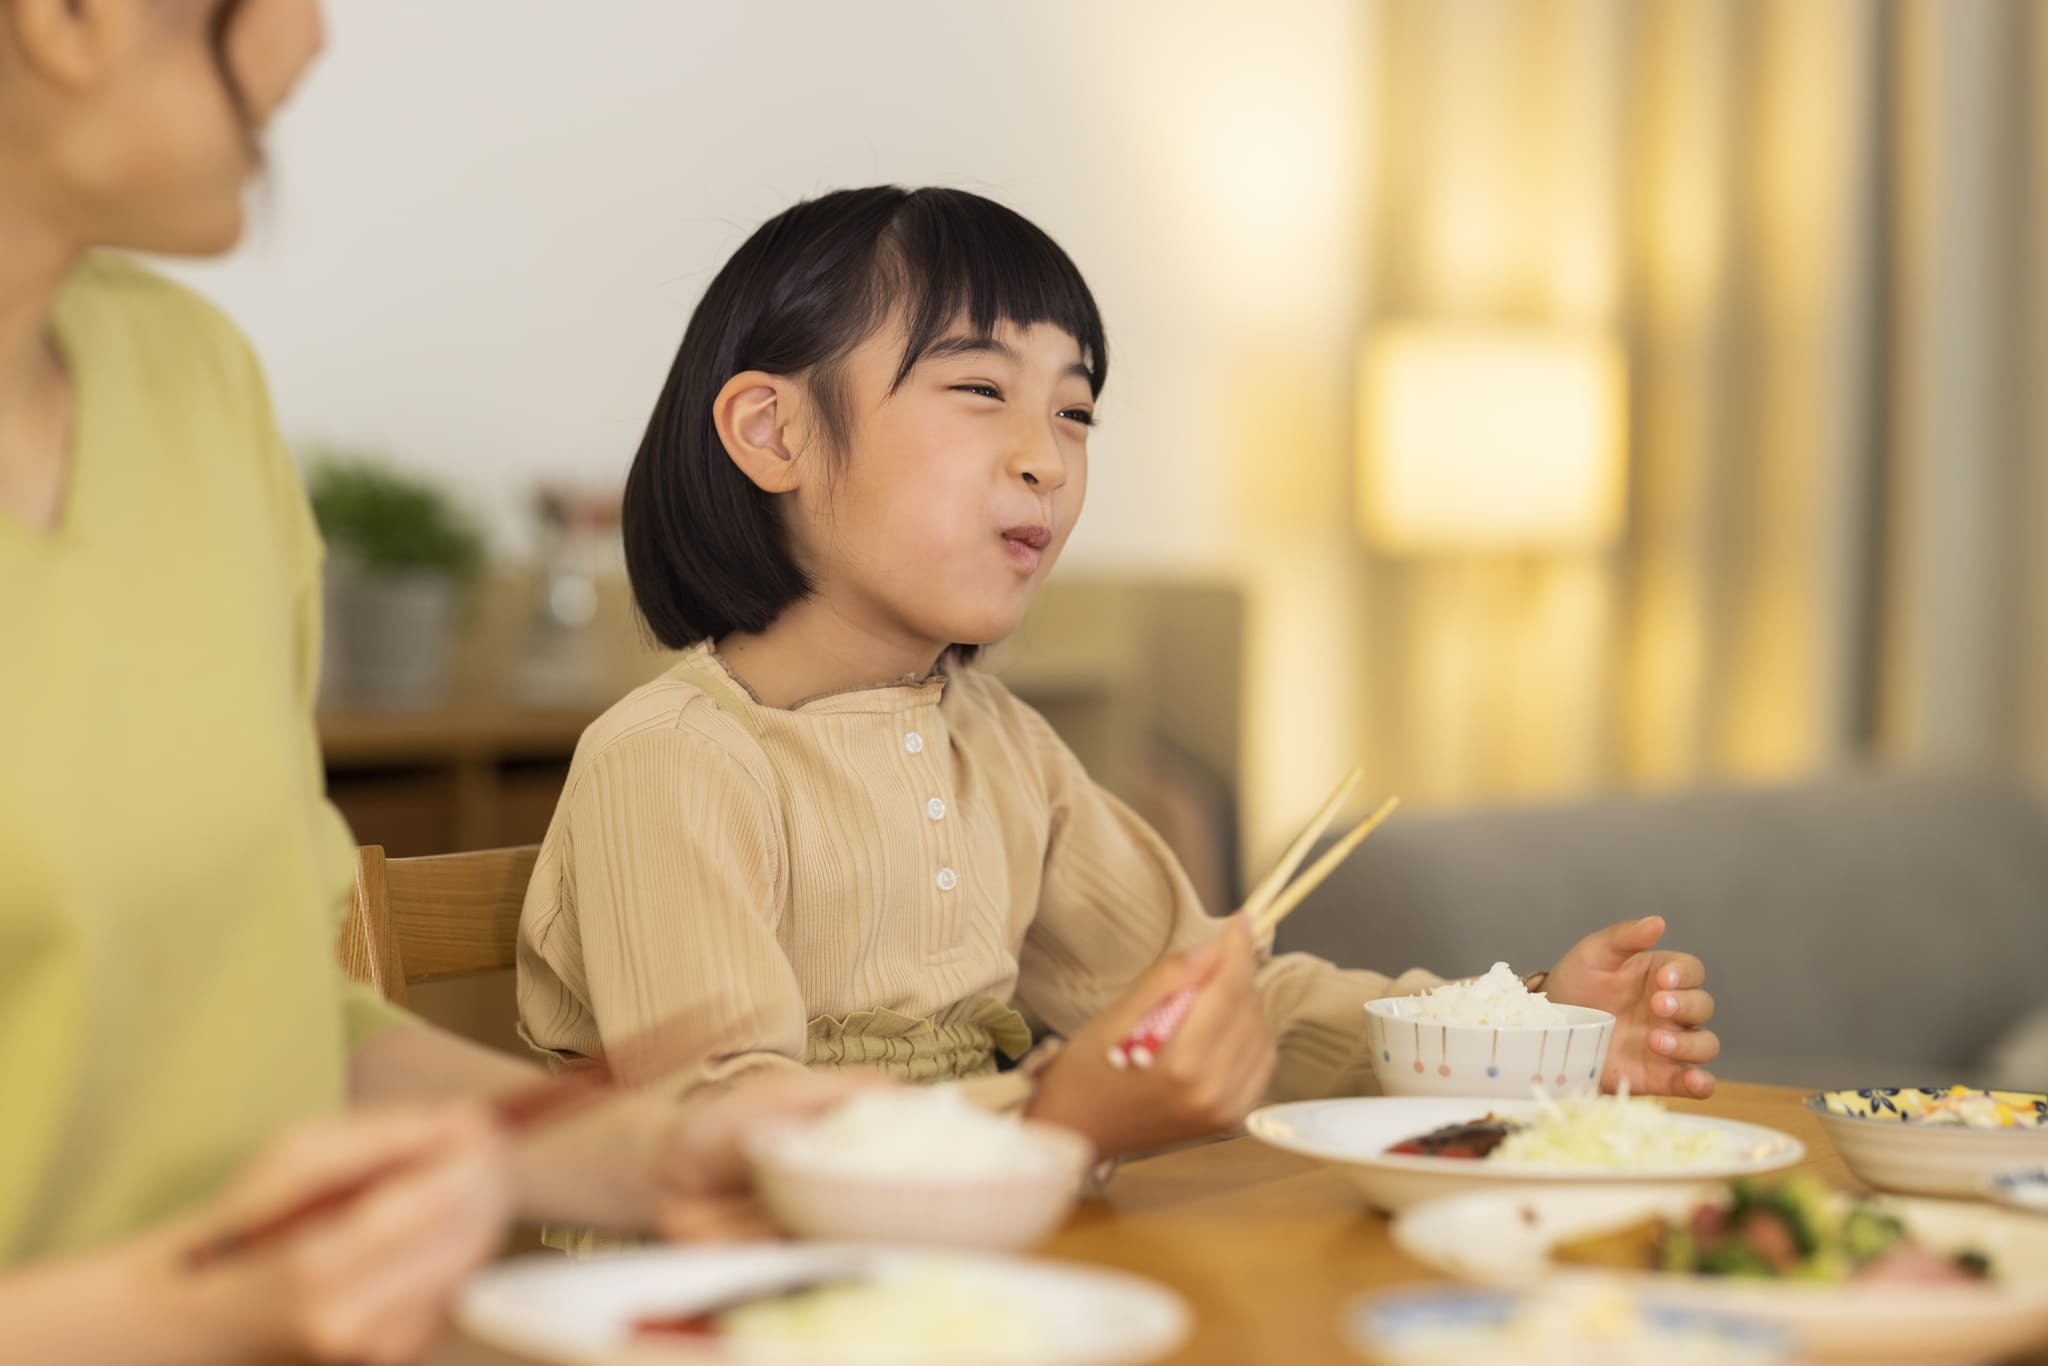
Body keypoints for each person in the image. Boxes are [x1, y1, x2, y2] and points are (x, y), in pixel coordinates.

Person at [517, 185, 1721, 1162]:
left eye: (1077, 411)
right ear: (773, 432)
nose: (1045, 457)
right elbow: (728, 1138)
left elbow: (1220, 993)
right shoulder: (673, 760)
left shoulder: (998, 744)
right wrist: (1056, 1116)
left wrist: (1517, 1030)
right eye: (980, 390)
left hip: (977, 1280)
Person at [0, 4, 859, 1361]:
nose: (311, 40)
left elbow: (286, 1022)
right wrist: (187, 1312)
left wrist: (649, 1149)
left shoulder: (194, 389)